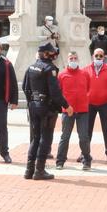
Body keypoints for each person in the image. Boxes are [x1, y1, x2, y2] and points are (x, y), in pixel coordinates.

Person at [22, 42, 70, 180]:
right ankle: (39, 170)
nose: (54, 54)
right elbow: (55, 93)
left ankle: (29, 169)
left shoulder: (31, 67)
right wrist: (67, 106)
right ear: (45, 53)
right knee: (45, 139)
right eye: (51, 52)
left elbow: (26, 88)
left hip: (33, 105)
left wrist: (33, 101)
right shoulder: (50, 69)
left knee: (35, 138)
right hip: (46, 108)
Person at [56, 51, 92, 170]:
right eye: (71, 58)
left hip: (83, 110)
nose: (73, 60)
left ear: (78, 60)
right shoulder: (61, 75)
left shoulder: (84, 74)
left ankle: (86, 160)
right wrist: (65, 106)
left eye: (75, 58)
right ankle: (60, 161)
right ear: (67, 60)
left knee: (83, 137)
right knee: (65, 137)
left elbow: (88, 88)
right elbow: (58, 93)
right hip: (68, 111)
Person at [84, 47, 107, 162]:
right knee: (87, 129)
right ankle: (84, 152)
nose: (99, 57)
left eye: (101, 55)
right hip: (89, 104)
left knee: (106, 128)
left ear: (104, 57)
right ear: (92, 56)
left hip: (104, 103)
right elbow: (81, 85)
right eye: (96, 55)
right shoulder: (85, 70)